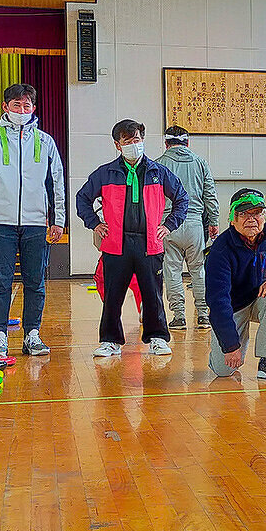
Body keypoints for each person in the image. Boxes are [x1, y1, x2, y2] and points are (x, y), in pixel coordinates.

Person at [76, 119, 189, 358]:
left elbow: (182, 198)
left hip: (150, 244)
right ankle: (110, 341)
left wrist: (169, 225)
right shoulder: (105, 173)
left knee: (153, 295)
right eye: (127, 141)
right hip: (116, 244)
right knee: (113, 296)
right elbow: (82, 198)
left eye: (136, 140)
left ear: (143, 140)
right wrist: (94, 223)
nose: (133, 145)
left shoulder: (159, 172)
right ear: (118, 145)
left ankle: (158, 338)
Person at [0, 83, 66, 356]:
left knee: (35, 281)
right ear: (5, 107)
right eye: (16, 105)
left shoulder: (45, 141)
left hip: (36, 223)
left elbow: (56, 182)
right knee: (1, 281)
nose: (22, 111)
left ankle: (32, 334)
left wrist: (58, 219)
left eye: (26, 106)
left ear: (34, 108)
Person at [205, 188, 266, 381]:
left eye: (257, 213)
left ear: (264, 216)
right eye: (243, 214)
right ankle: (225, 344)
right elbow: (218, 301)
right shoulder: (220, 250)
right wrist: (230, 345)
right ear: (232, 218)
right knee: (223, 370)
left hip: (261, 299)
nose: (251, 219)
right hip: (234, 306)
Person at [156, 125, 221, 330]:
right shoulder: (200, 162)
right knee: (199, 270)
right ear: (187, 143)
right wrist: (214, 221)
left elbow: (151, 199)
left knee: (172, 270)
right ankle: (203, 315)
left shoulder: (158, 164)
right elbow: (210, 194)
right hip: (194, 223)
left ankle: (179, 317)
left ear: (166, 143)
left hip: (168, 225)